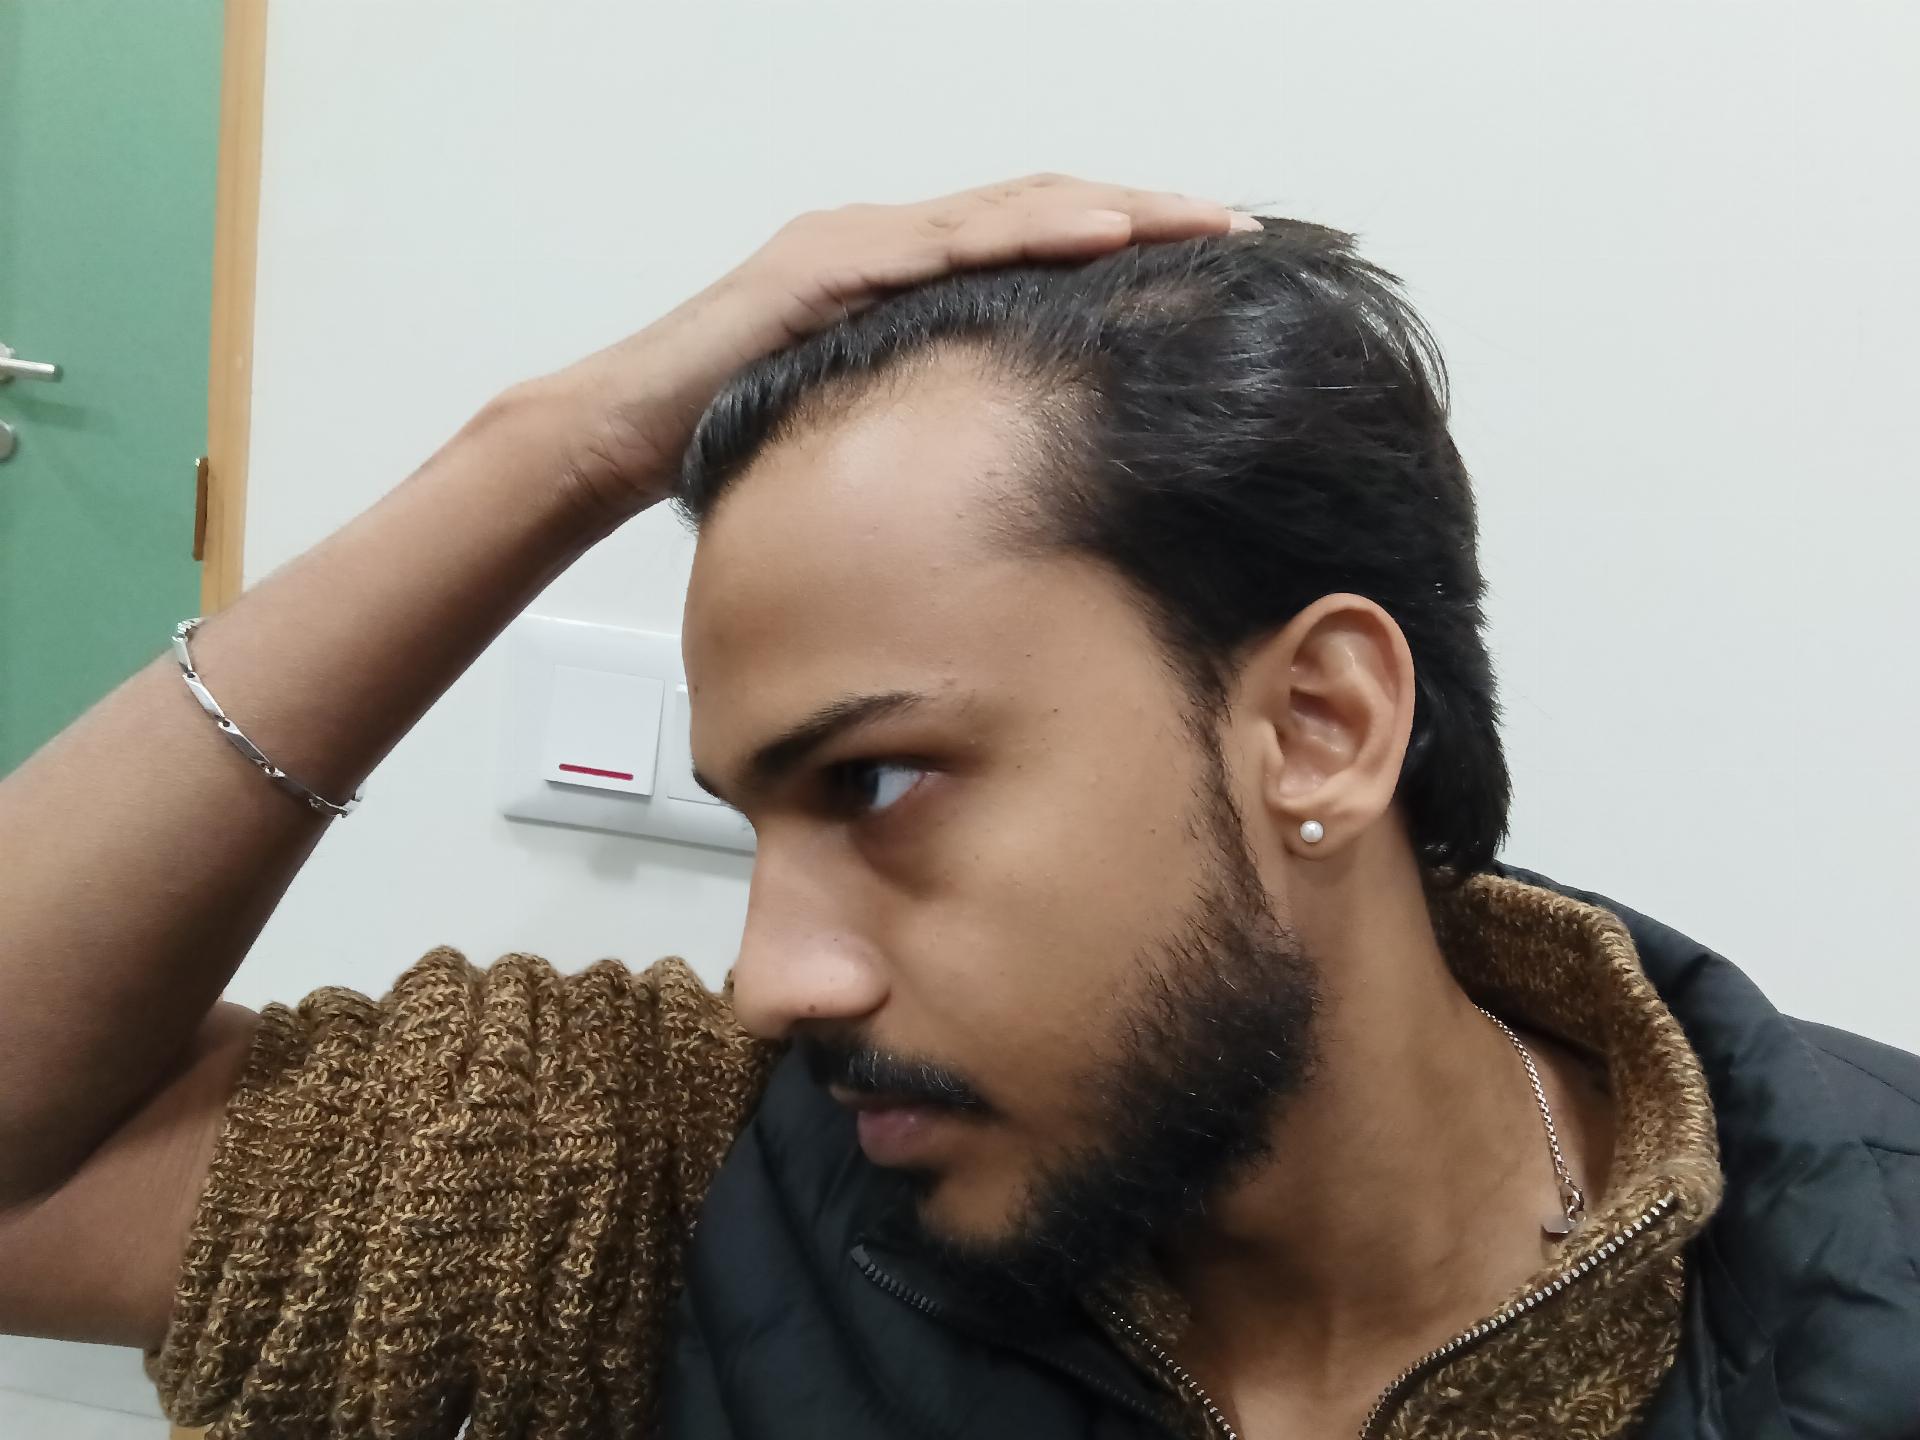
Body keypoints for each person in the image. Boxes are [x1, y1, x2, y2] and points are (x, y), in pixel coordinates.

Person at [0, 175, 1913, 1440]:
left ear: (1319, 727)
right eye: (759, 819)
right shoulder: (679, 1180)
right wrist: (556, 449)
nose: (775, 981)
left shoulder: (1864, 1253)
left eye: (882, 782)